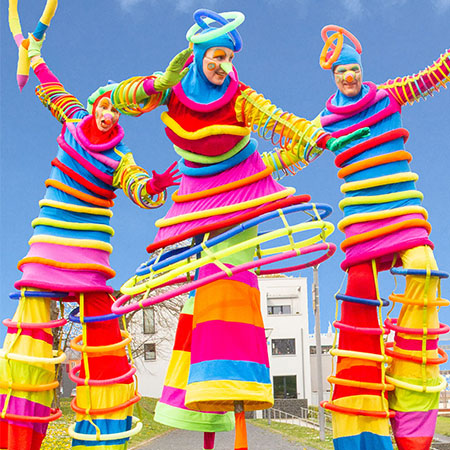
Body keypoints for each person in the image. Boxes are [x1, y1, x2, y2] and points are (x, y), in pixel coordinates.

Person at [110, 10, 367, 449]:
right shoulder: (172, 87)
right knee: (202, 304)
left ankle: (240, 428)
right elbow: (117, 100)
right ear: (197, 54)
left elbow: (279, 122)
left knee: (232, 303)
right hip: (197, 205)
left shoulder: (240, 95)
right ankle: (209, 428)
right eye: (216, 55)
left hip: (242, 199)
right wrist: (158, 83)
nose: (222, 64)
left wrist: (320, 137)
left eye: (228, 57)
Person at [266, 28, 450, 450]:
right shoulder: (326, 124)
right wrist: (238, 174)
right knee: (359, 307)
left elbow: (433, 75)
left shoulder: (389, 96)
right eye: (341, 71)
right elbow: (288, 155)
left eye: (353, 69)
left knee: (424, 273)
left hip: (403, 214)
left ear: (362, 71)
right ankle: (362, 429)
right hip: (364, 224)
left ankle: (410, 385)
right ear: (332, 76)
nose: (348, 76)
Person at [0, 35, 180, 450]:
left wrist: (154, 184)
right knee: (29, 343)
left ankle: (101, 440)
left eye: (115, 109)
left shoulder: (121, 158)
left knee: (104, 342)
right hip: (48, 248)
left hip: (88, 259)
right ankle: (16, 440)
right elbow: (49, 86)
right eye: (104, 105)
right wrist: (35, 53)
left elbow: (140, 191)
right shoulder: (71, 117)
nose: (107, 113)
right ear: (94, 105)